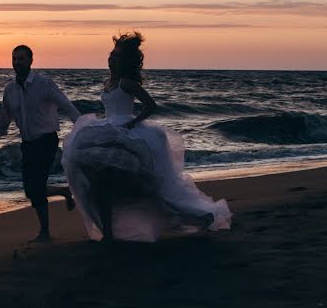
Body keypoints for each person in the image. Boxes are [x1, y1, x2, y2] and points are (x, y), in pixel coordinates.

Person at [61, 32, 231, 242]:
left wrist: (133, 122)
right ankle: (108, 233)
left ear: (126, 62)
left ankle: (199, 217)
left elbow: (151, 106)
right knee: (99, 184)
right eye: (111, 54)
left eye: (117, 56)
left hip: (126, 132)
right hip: (109, 130)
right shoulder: (108, 82)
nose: (111, 58)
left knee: (149, 190)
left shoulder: (127, 83)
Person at [0, 44, 80, 242]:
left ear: (30, 61)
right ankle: (64, 191)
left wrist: (83, 126)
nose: (17, 62)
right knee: (31, 190)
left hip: (46, 141)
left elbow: (66, 105)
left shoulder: (44, 83)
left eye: (21, 58)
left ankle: (45, 233)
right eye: (14, 58)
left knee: (36, 187)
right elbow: (5, 118)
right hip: (28, 143)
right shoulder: (10, 89)